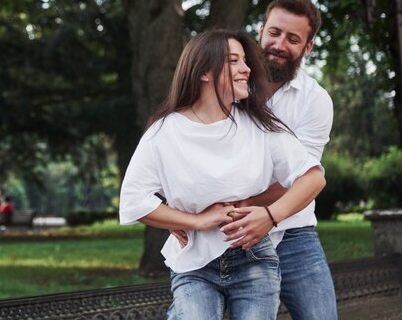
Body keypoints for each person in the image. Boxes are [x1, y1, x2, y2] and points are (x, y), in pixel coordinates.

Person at [119, 29, 327, 320]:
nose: (247, 69)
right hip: (194, 264)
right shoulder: (165, 132)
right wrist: (195, 220)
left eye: (245, 60)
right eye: (234, 61)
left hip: (254, 259)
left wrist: (270, 216)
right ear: (204, 71)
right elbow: (133, 200)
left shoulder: (260, 126)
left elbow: (314, 177)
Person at [172, 0, 337, 320]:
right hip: (222, 232)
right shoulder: (225, 84)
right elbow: (185, 153)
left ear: (308, 48)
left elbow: (300, 179)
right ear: (261, 30)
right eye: (274, 32)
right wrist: (184, 215)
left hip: (292, 231)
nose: (279, 44)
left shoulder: (315, 101)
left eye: (292, 39)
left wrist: (244, 212)